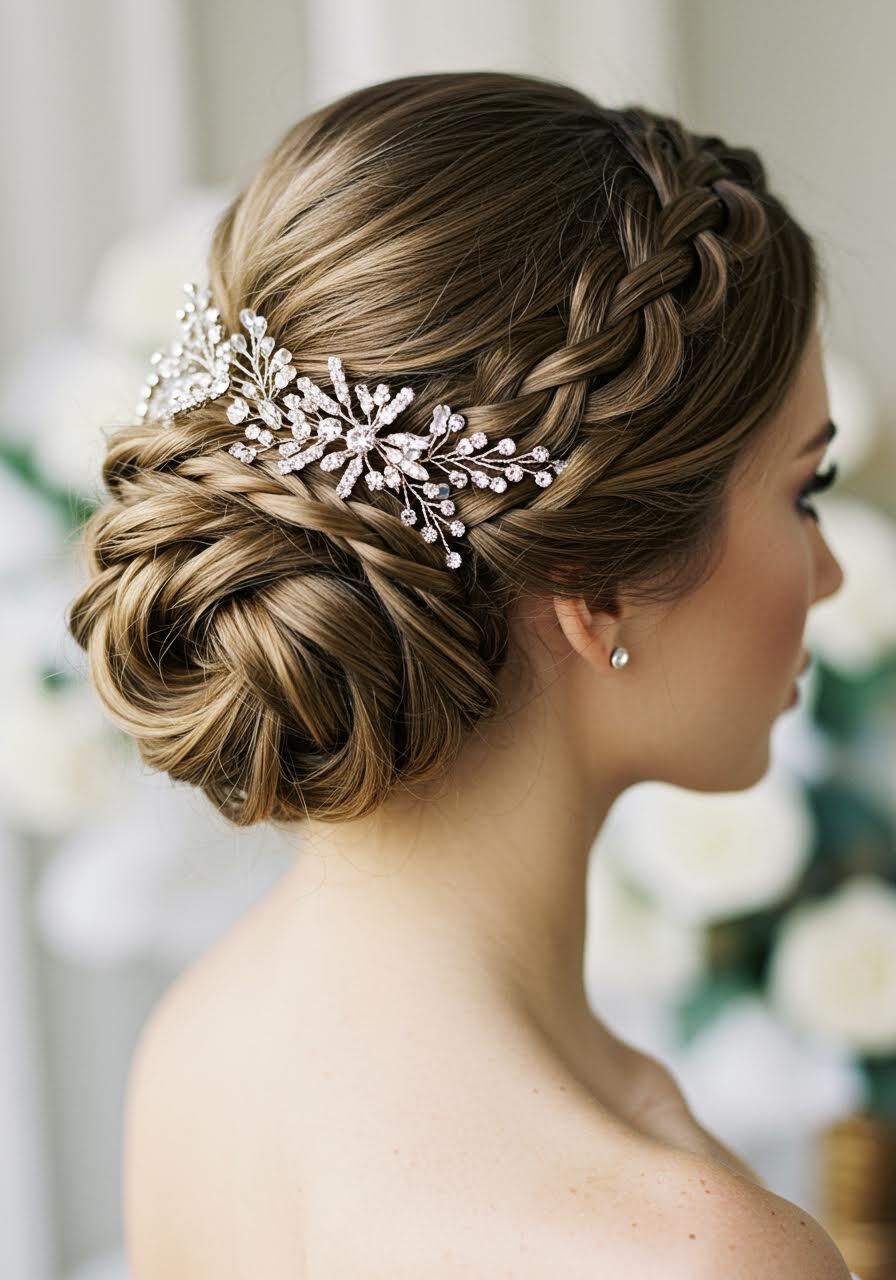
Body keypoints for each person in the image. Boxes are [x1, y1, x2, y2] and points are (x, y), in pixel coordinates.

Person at [67, 71, 858, 1278]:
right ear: (595, 586)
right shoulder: (690, 1253)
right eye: (801, 493)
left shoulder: (200, 1041)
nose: (831, 574)